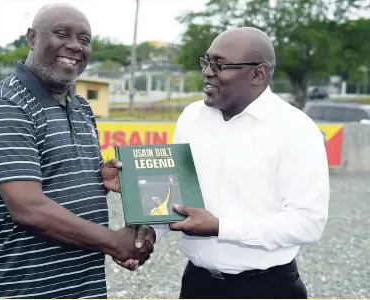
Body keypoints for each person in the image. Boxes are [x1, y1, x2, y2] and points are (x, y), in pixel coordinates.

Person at [0, 3, 155, 299]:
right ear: (31, 38)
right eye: (62, 34)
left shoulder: (80, 107)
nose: (75, 46)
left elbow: (51, 185)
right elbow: (29, 210)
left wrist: (96, 183)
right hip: (17, 289)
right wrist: (114, 242)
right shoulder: (5, 106)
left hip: (80, 286)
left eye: (84, 39)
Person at [134, 27, 330, 298]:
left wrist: (220, 227)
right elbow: (175, 193)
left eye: (220, 65)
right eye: (207, 61)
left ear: (258, 74)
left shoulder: (296, 129)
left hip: (268, 287)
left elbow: (308, 222)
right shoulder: (191, 118)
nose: (207, 72)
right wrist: (149, 231)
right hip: (197, 284)